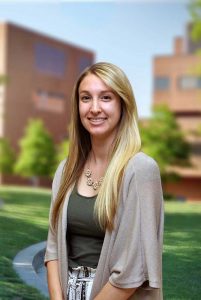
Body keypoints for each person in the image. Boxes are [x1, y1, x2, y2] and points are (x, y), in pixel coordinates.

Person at [44, 62, 164, 300]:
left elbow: (132, 271)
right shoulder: (66, 170)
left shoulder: (140, 170)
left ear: (123, 104)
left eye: (106, 97)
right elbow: (53, 248)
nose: (94, 108)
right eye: (86, 98)